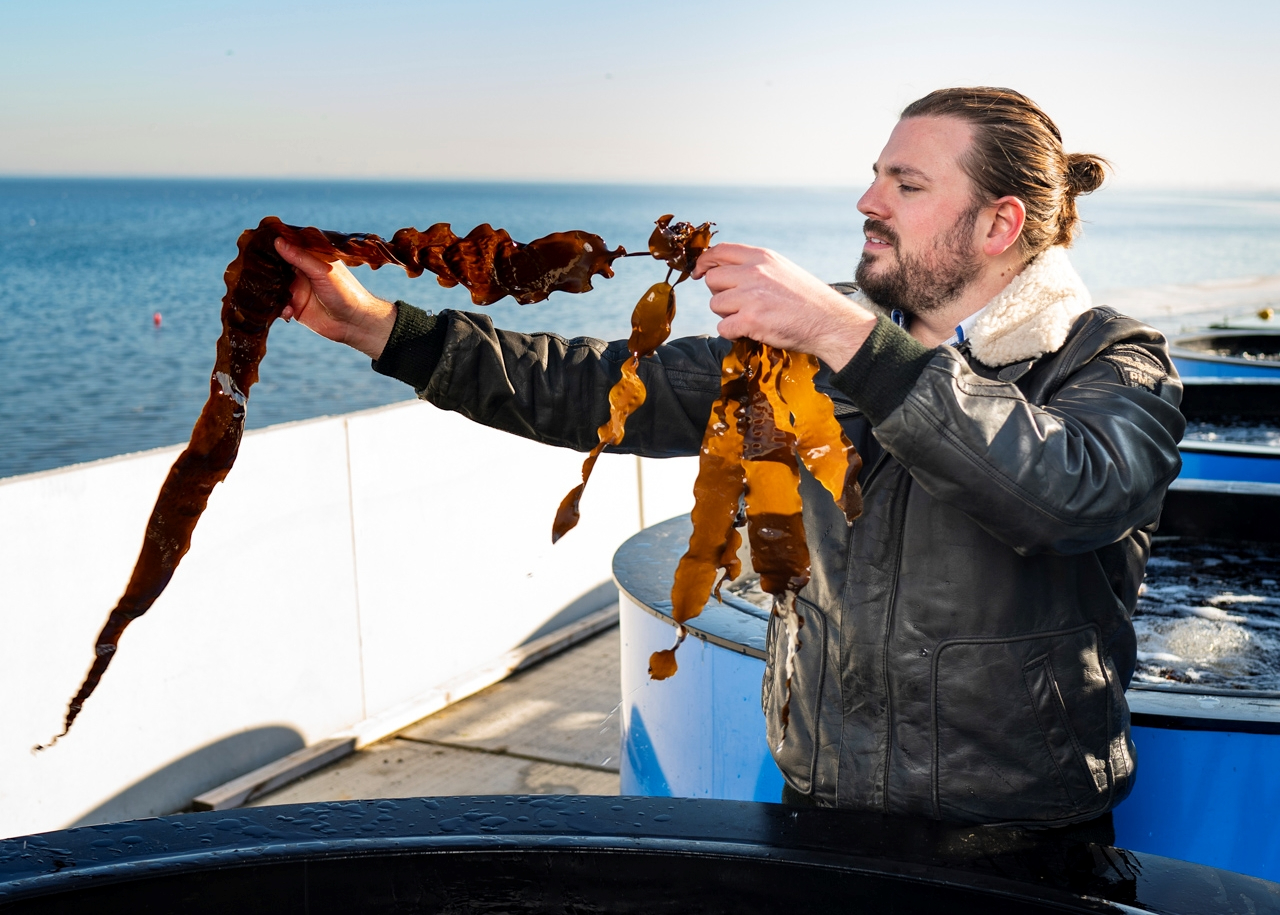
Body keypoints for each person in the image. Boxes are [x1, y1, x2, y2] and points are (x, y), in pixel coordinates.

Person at [275, 87, 1184, 827]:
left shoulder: (1110, 360)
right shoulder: (808, 349)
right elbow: (600, 391)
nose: (867, 202)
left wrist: (845, 335)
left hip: (1018, 834)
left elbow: (1069, 494)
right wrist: (384, 331)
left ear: (999, 225)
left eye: (905, 185)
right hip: (817, 804)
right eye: (874, 176)